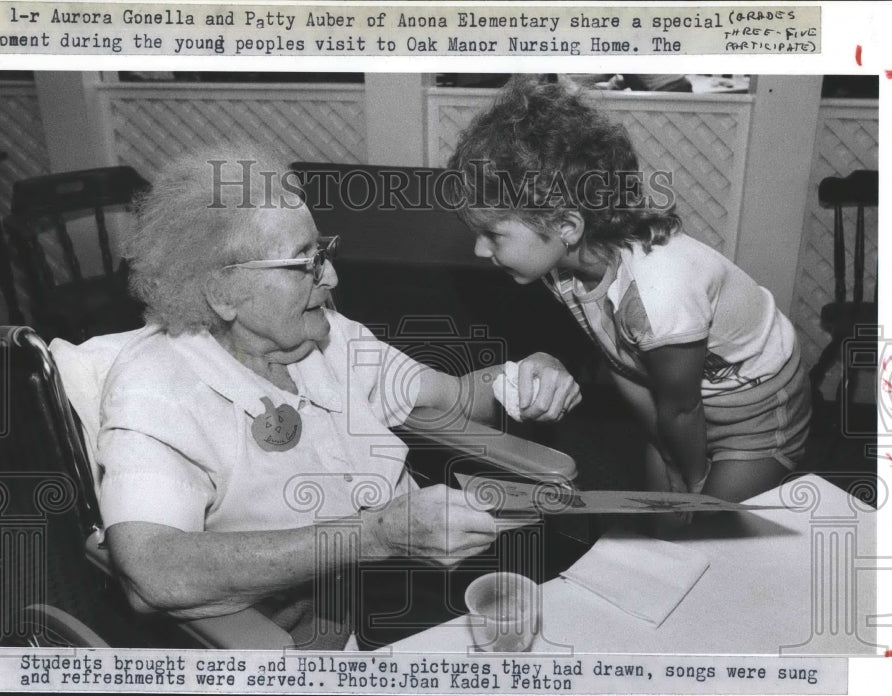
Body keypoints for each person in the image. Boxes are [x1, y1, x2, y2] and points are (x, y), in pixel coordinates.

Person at [96, 141, 581, 650]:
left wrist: (527, 372)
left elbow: (455, 396)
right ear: (223, 291)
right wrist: (374, 535)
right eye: (303, 262)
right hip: (268, 650)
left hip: (378, 608)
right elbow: (152, 573)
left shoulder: (328, 338)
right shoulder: (156, 388)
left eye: (321, 252)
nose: (331, 276)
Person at [444, 76, 810, 504]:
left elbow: (682, 407)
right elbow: (624, 364)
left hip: (759, 411)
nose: (479, 249)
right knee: (661, 526)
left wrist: (693, 483)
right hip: (683, 405)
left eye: (492, 234)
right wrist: (666, 452)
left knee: (707, 530)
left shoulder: (659, 293)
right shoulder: (561, 264)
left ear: (566, 226)